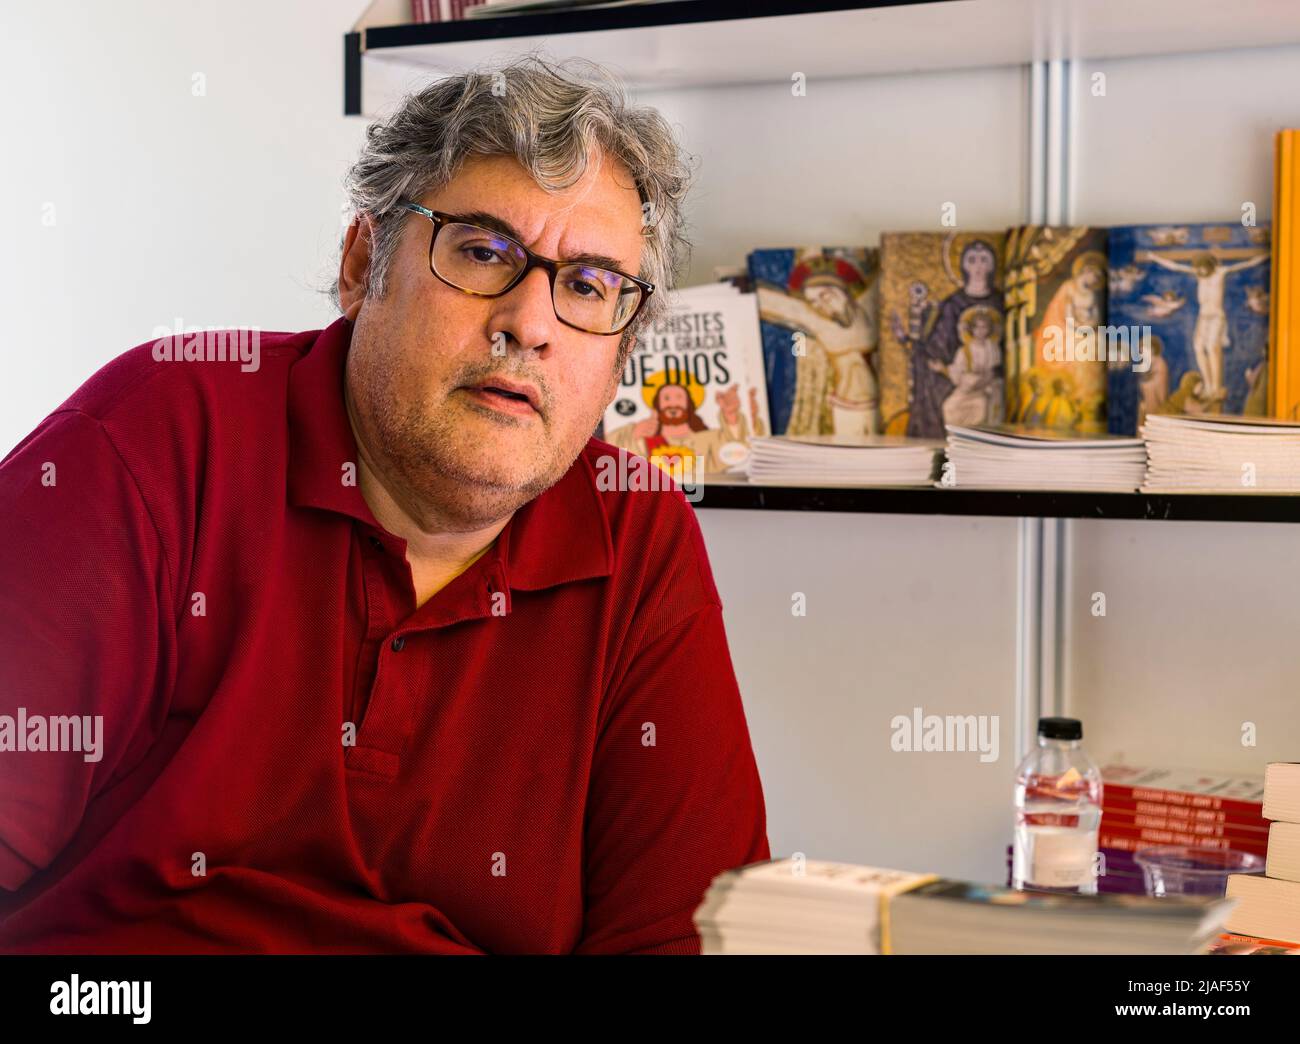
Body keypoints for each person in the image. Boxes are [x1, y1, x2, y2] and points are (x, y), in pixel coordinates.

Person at [0, 56, 769, 955]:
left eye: (589, 286)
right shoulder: (158, 437)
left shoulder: (637, 534)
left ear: (622, 349)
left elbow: (682, 941)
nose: (530, 321)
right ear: (364, 264)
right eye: (483, 251)